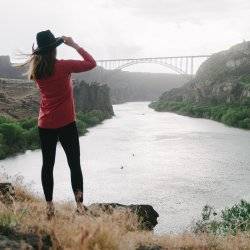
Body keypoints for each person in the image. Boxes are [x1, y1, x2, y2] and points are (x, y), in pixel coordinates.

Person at [25, 30, 96, 219]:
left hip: (45, 124)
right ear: (54, 50)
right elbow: (91, 63)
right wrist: (74, 45)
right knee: (74, 165)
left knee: (47, 165)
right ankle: (79, 207)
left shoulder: (36, 71)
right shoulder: (63, 66)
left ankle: (49, 208)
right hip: (66, 123)